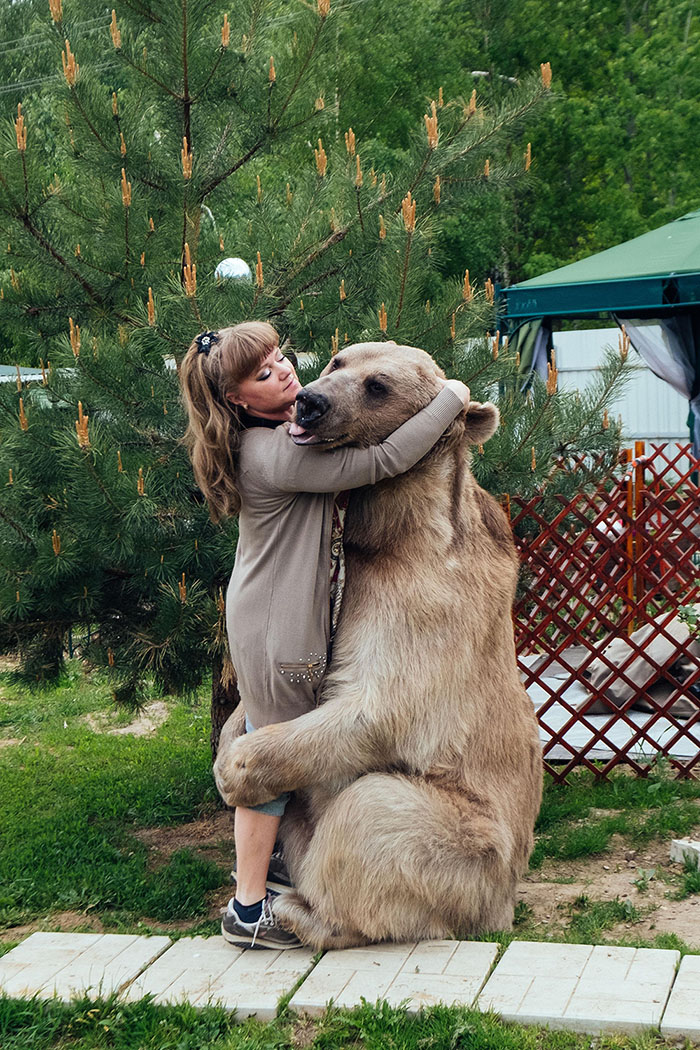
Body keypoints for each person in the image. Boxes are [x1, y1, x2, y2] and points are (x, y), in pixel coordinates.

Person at [179, 321, 469, 949]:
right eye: (262, 375)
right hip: (277, 623)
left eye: (281, 359)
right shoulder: (278, 453)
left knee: (270, 740)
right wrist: (452, 398)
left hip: (272, 610)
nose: (288, 374)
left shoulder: (280, 435)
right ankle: (249, 909)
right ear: (236, 400)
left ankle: (269, 874)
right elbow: (385, 458)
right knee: (265, 763)